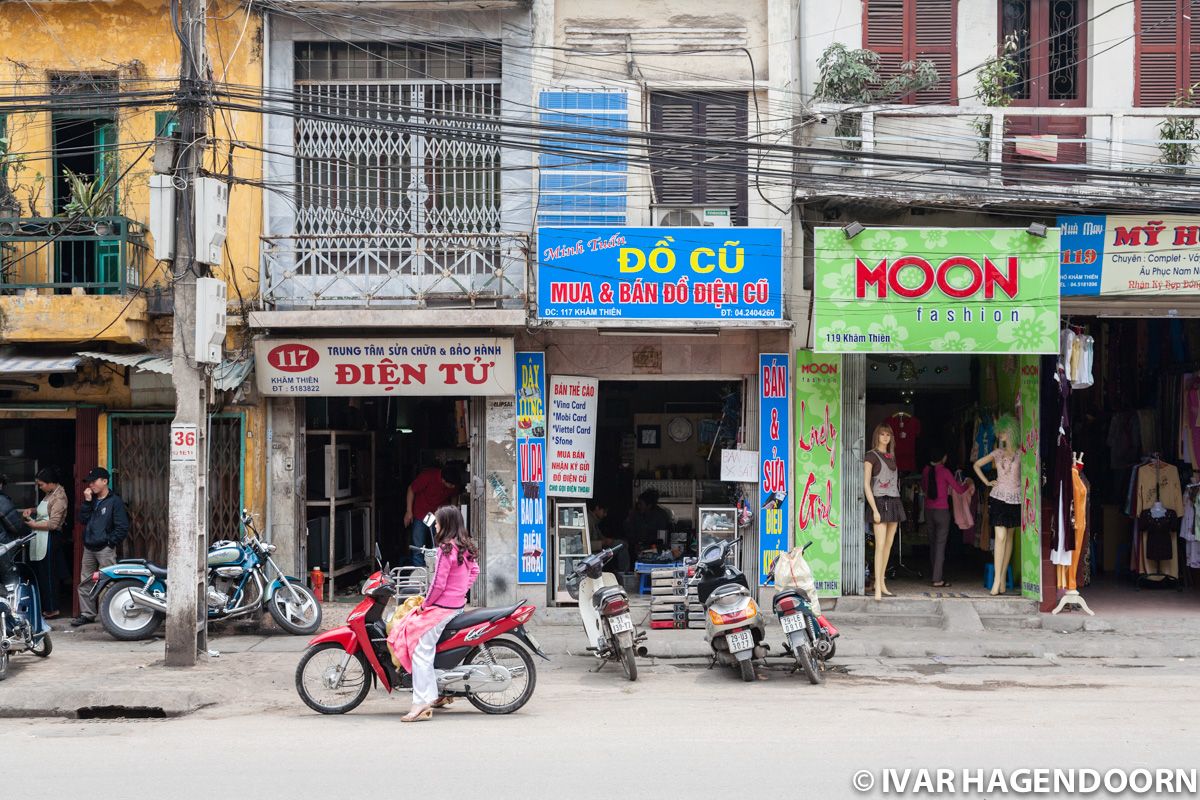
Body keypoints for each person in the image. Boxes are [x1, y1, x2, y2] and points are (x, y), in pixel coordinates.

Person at [387, 505, 480, 722]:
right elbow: (474, 571)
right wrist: (460, 591)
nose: (435, 525)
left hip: (442, 609)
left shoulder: (445, 550)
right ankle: (433, 694)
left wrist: (425, 605)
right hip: (455, 605)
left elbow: (438, 584)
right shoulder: (464, 547)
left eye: (438, 522)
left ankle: (421, 703)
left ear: (445, 524)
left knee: (419, 650)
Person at [72, 467, 130, 626]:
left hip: (105, 548)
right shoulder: (91, 500)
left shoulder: (115, 501)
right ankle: (87, 614)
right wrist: (88, 502)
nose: (91, 485)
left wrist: (110, 542)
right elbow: (82, 520)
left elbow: (122, 526)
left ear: (105, 481)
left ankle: (111, 616)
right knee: (86, 582)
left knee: (109, 582)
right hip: (89, 547)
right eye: (89, 482)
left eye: (94, 481)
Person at [21, 468, 68, 619]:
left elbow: (53, 524)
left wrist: (34, 525)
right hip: (41, 537)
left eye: (41, 484)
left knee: (48, 575)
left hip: (50, 538)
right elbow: (44, 510)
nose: (39, 487)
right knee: (41, 574)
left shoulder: (59, 497)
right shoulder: (50, 494)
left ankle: (52, 608)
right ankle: (46, 607)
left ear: (50, 483)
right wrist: (32, 510)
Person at [864, 424, 903, 601]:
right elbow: (866, 485)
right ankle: (877, 586)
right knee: (879, 545)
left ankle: (882, 582)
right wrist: (874, 509)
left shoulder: (892, 456)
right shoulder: (871, 456)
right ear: (877, 436)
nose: (885, 437)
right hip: (879, 502)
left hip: (894, 500)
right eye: (882, 434)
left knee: (888, 545)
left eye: (888, 434)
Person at [922, 448, 968, 589]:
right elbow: (959, 490)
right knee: (940, 546)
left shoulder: (926, 470)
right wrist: (969, 484)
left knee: (933, 544)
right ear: (944, 458)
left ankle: (934, 575)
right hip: (942, 512)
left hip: (929, 511)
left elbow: (924, 488)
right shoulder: (945, 472)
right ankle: (937, 579)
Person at [404, 465, 461, 566]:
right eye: (451, 485)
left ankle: (438, 570)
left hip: (440, 517)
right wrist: (409, 511)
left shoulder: (452, 484)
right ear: (443, 481)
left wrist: (452, 514)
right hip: (420, 514)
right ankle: (419, 574)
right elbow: (411, 489)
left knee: (441, 546)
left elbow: (454, 497)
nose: (453, 487)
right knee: (418, 546)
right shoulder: (427, 476)